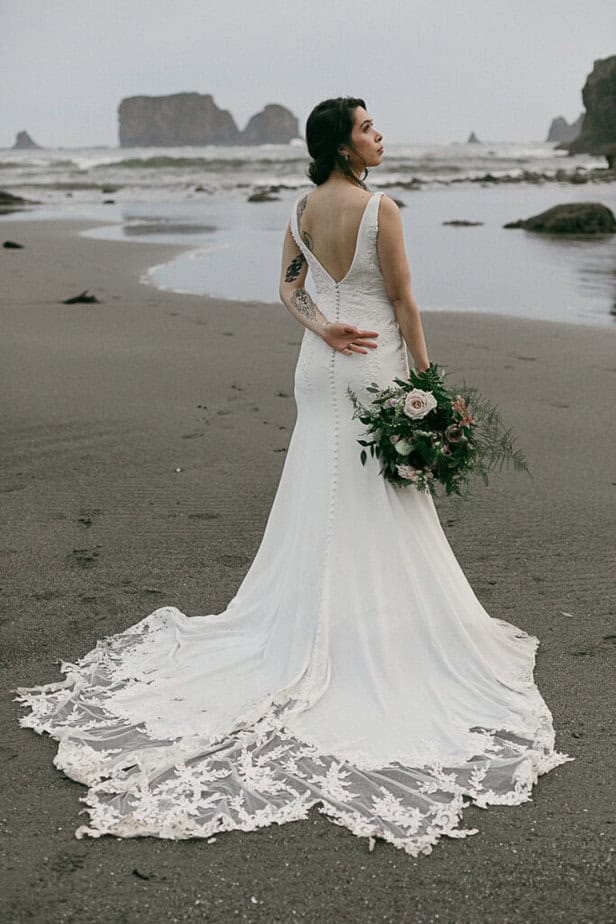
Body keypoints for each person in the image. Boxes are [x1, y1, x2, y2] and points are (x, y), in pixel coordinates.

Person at [15, 97, 570, 856]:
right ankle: (368, 631)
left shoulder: (303, 209)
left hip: (321, 365)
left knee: (320, 492)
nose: (381, 136)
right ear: (344, 145)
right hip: (372, 364)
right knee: (378, 496)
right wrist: (433, 391)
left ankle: (313, 621)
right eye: (370, 128)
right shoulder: (383, 209)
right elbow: (405, 302)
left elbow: (288, 289)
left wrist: (320, 327)